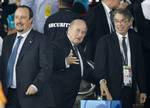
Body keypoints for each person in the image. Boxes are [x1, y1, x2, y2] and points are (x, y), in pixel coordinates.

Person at [0, 5, 54, 108]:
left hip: (31, 96)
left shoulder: (41, 40)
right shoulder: (7, 40)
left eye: (23, 17)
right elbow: (3, 66)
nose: (19, 21)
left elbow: (46, 67)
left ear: (31, 20)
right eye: (16, 17)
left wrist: (35, 85)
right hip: (9, 94)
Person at [94, 9, 147, 108]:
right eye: (116, 21)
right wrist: (102, 82)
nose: (120, 24)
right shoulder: (104, 41)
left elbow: (140, 66)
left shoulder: (136, 41)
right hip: (110, 90)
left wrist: (143, 90)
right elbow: (99, 67)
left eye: (123, 21)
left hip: (129, 88)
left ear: (130, 22)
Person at [49, 19, 95, 108]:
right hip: (57, 98)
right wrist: (65, 61)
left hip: (71, 97)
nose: (80, 35)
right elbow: (48, 63)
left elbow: (85, 70)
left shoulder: (79, 49)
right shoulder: (57, 44)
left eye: (83, 32)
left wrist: (101, 80)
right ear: (69, 30)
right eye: (78, 30)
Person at [133, 1, 150, 108]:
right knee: (146, 85)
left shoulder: (134, 6)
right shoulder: (135, 7)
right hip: (144, 54)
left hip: (144, 52)